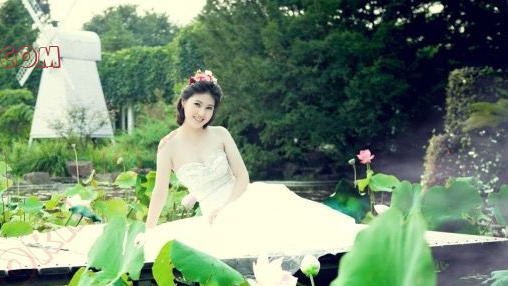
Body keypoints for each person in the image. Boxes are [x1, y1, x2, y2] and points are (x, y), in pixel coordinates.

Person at [142, 70, 361, 271]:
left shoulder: (220, 134)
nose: (202, 113)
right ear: (183, 102)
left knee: (299, 233)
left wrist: (226, 207)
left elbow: (242, 176)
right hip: (212, 216)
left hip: (240, 199)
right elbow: (160, 191)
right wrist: (149, 230)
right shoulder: (168, 146)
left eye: (209, 108)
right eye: (197, 104)